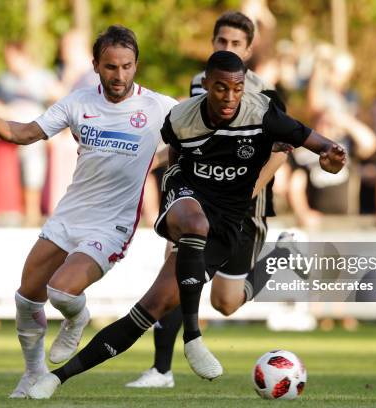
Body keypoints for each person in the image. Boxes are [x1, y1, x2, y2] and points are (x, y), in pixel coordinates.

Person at [26, 50, 345, 399]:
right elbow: (173, 153)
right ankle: (193, 336)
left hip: (226, 222)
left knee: (149, 310)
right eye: (221, 88)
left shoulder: (264, 114)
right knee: (194, 221)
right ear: (206, 85)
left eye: (237, 88)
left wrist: (332, 158)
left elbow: (322, 146)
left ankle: (57, 379)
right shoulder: (180, 117)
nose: (229, 97)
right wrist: (175, 182)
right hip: (186, 197)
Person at [0, 25, 177, 398]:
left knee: (62, 293)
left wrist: (162, 160)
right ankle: (33, 373)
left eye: (127, 66)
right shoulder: (77, 102)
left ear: (136, 65)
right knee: (26, 296)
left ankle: (78, 317)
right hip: (70, 214)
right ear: (96, 65)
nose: (120, 75)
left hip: (112, 224)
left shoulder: (159, 107)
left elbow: (197, 133)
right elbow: (26, 132)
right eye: (111, 67)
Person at [127, 11, 289, 388]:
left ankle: (282, 256)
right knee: (179, 269)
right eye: (222, 41)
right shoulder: (199, 85)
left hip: (244, 204)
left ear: (248, 50)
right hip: (200, 199)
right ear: (213, 43)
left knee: (225, 303)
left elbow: (282, 150)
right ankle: (161, 370)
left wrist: (247, 190)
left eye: (236, 44)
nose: (228, 47)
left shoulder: (264, 93)